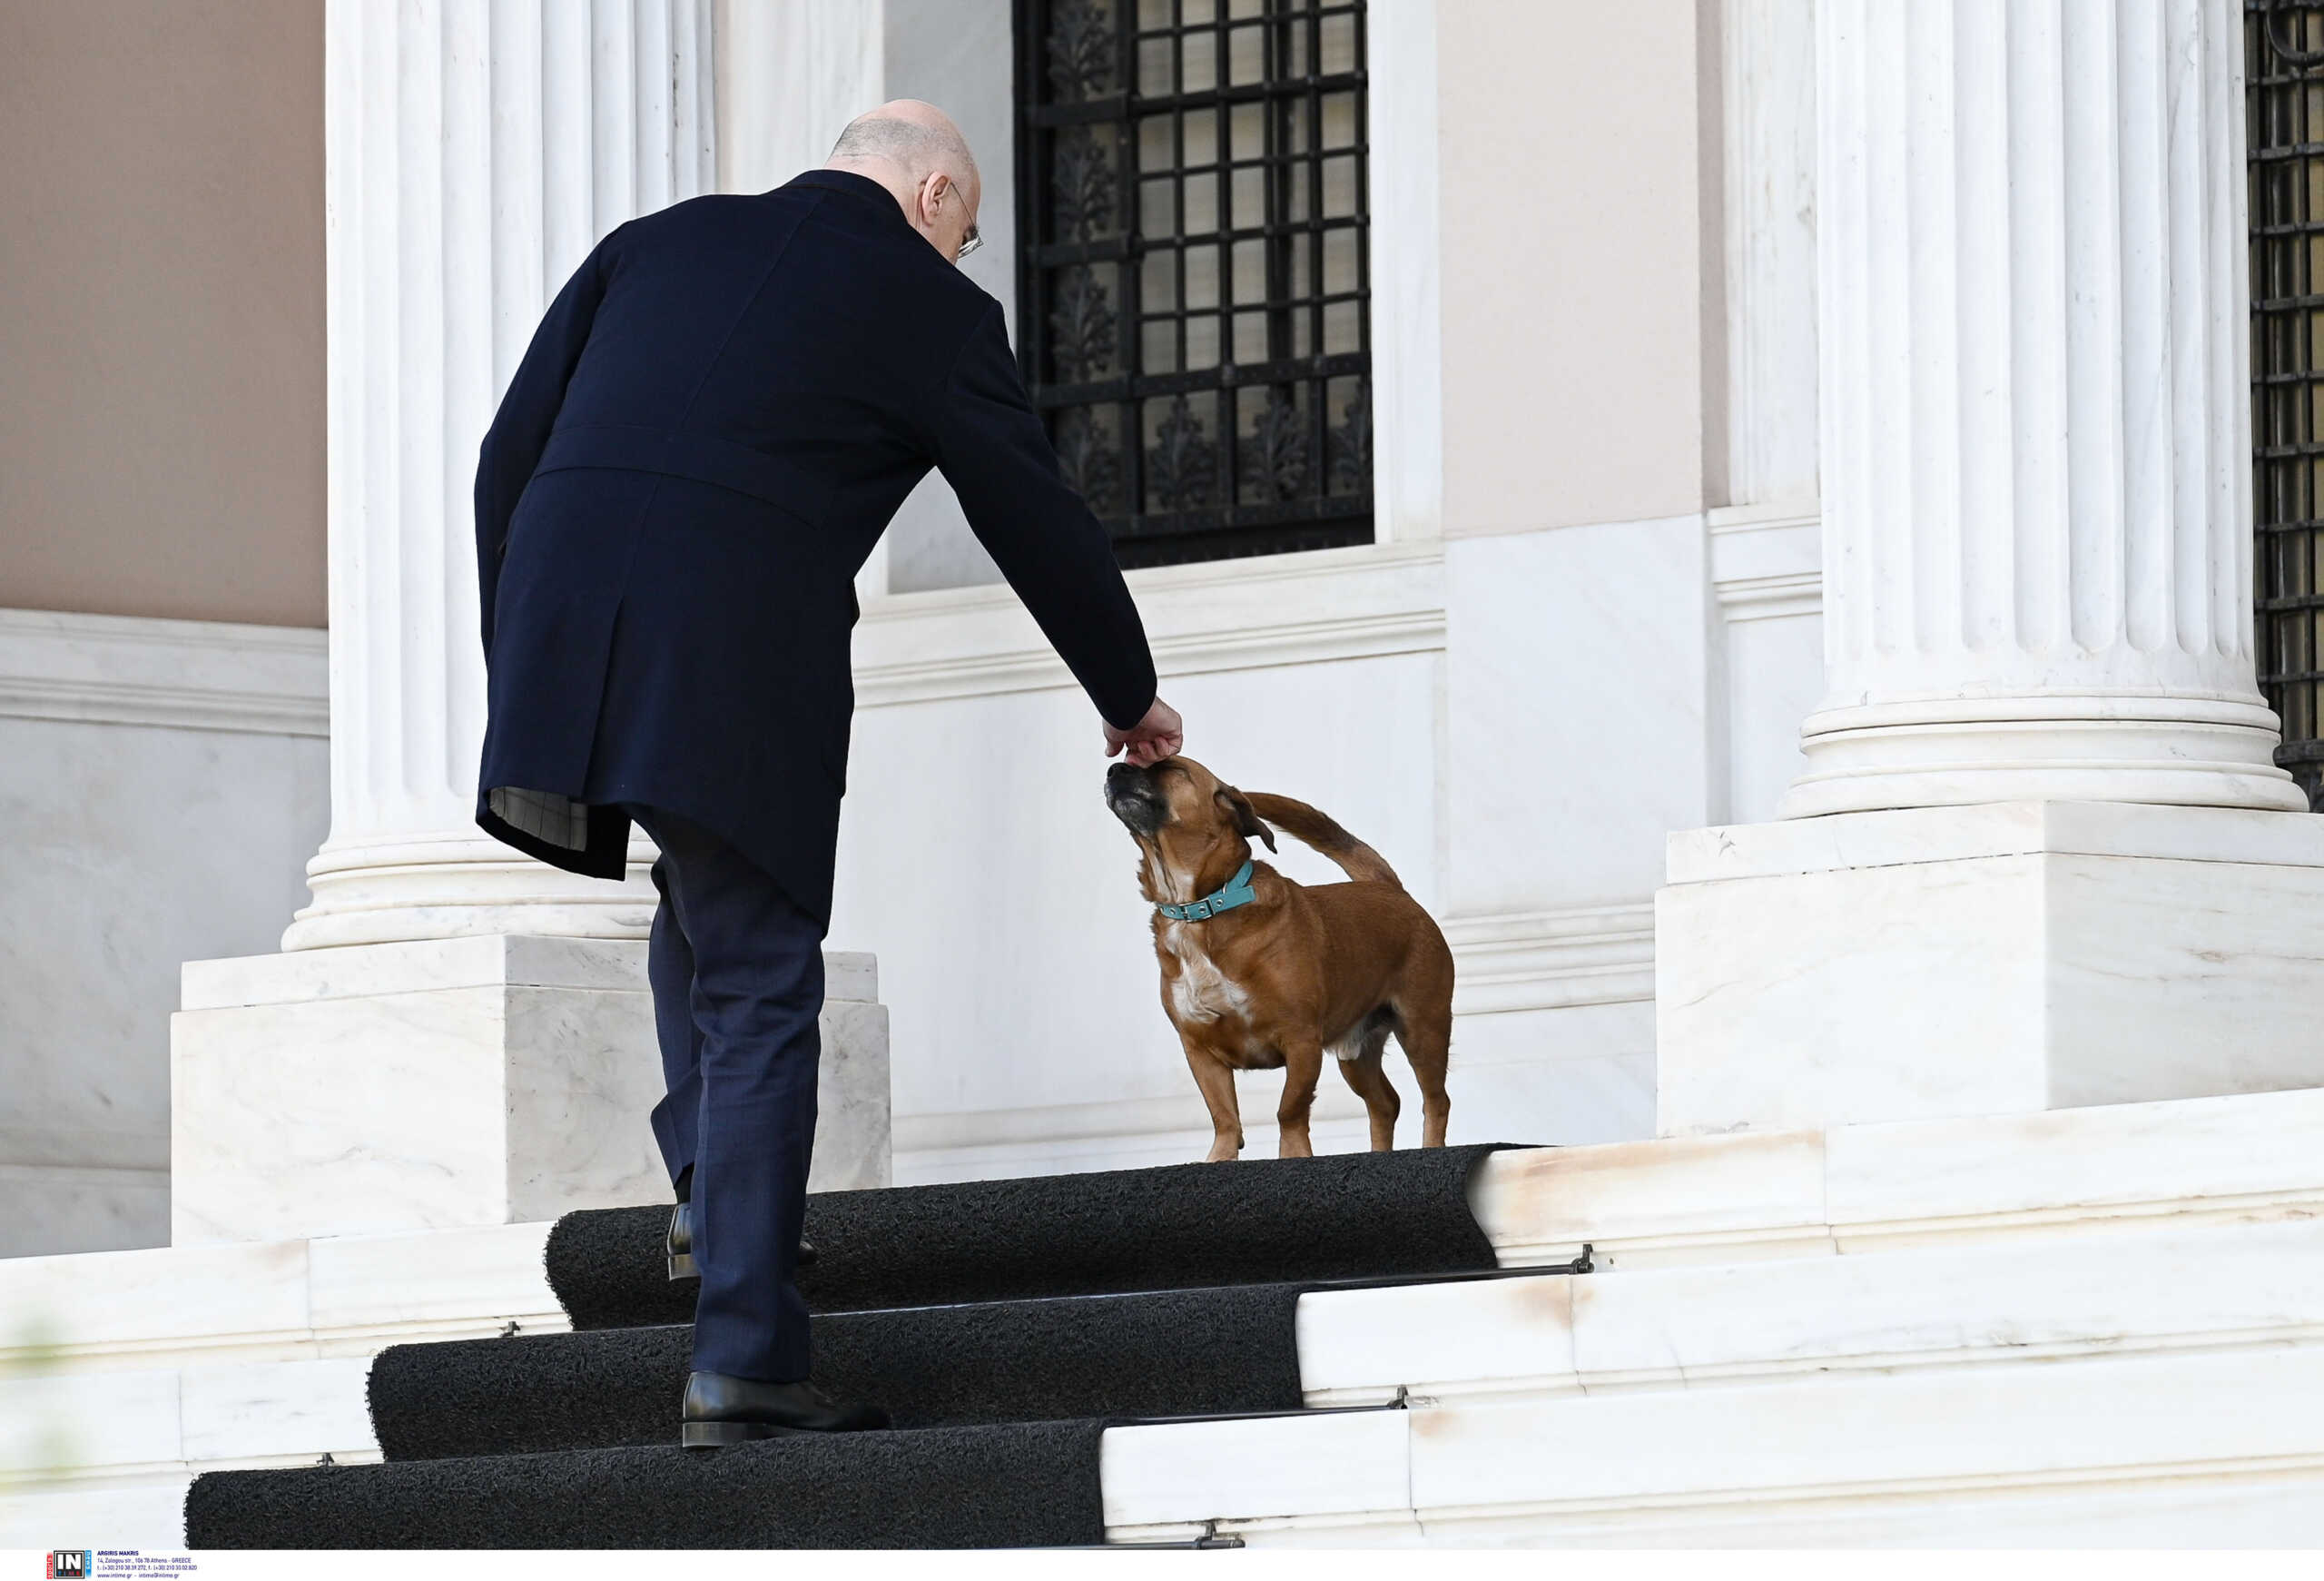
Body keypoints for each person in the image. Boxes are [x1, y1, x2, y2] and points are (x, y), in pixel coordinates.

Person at [470, 100, 1185, 1448]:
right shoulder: (929, 307)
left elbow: (506, 456)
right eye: (964, 233)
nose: (960, 261)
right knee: (758, 975)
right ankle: (745, 1353)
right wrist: (1126, 692)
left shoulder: (653, 242)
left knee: (703, 911)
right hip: (735, 640)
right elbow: (1031, 508)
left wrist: (525, 648)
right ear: (929, 192)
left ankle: (716, 1190)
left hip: (566, 608)